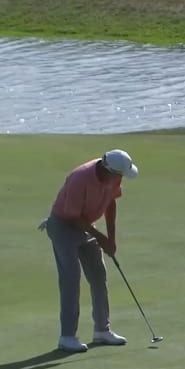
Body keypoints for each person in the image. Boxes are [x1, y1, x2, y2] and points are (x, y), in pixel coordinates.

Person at [39, 149, 139, 353]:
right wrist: (100, 237)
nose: (121, 179)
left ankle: (102, 330)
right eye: (120, 175)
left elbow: (111, 204)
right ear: (110, 171)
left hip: (84, 225)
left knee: (98, 275)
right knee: (71, 279)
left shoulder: (113, 177)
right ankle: (67, 336)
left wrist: (111, 239)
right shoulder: (80, 178)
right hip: (63, 225)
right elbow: (73, 217)